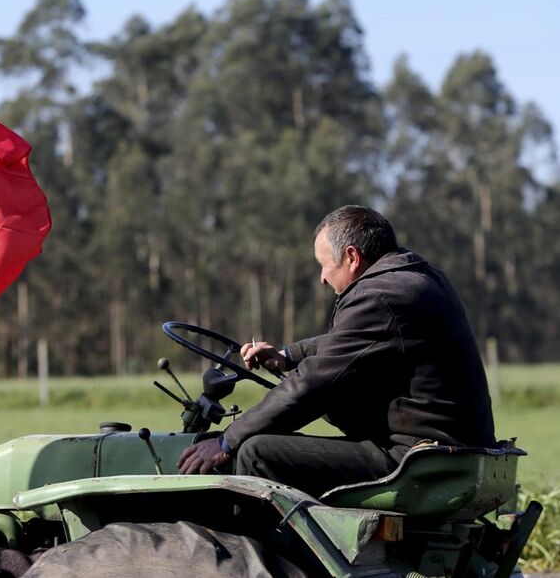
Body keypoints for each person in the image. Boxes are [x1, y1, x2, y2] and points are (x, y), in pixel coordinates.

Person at [177, 205, 496, 497]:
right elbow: (347, 340)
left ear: (352, 257)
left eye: (324, 265)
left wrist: (227, 440)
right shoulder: (416, 279)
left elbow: (310, 387)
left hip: (417, 460)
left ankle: (262, 557)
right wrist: (287, 356)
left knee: (254, 452)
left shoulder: (378, 295)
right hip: (447, 452)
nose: (322, 278)